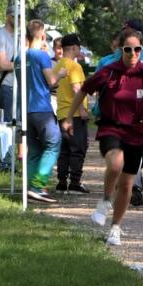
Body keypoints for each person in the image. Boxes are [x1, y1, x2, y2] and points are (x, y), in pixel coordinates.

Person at [69, 29, 143, 246]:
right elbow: (83, 90)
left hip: (137, 133)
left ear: (142, 50)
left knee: (127, 184)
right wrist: (68, 117)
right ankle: (104, 200)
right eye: (128, 49)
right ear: (120, 49)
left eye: (137, 49)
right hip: (111, 128)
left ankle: (115, 227)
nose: (133, 53)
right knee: (115, 163)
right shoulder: (109, 71)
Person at [18, 20, 61, 204]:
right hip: (42, 108)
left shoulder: (19, 57)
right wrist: (61, 74)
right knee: (53, 144)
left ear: (27, 36)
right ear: (43, 36)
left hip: (25, 109)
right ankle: (37, 186)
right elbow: (51, 81)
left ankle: (30, 189)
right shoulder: (42, 56)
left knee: (34, 150)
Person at [54, 34, 90, 194]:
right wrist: (82, 109)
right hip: (74, 114)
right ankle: (75, 182)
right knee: (78, 148)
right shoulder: (74, 67)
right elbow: (77, 89)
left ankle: (62, 181)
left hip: (61, 112)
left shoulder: (58, 65)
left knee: (65, 149)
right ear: (74, 47)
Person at [0, 3, 19, 167]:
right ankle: (5, 163)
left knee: (17, 126)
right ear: (8, 17)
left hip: (19, 86)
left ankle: (11, 161)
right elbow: (2, 64)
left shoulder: (20, 36)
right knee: (6, 125)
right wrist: (21, 64)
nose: (19, 20)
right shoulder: (0, 36)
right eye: (17, 16)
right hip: (6, 86)